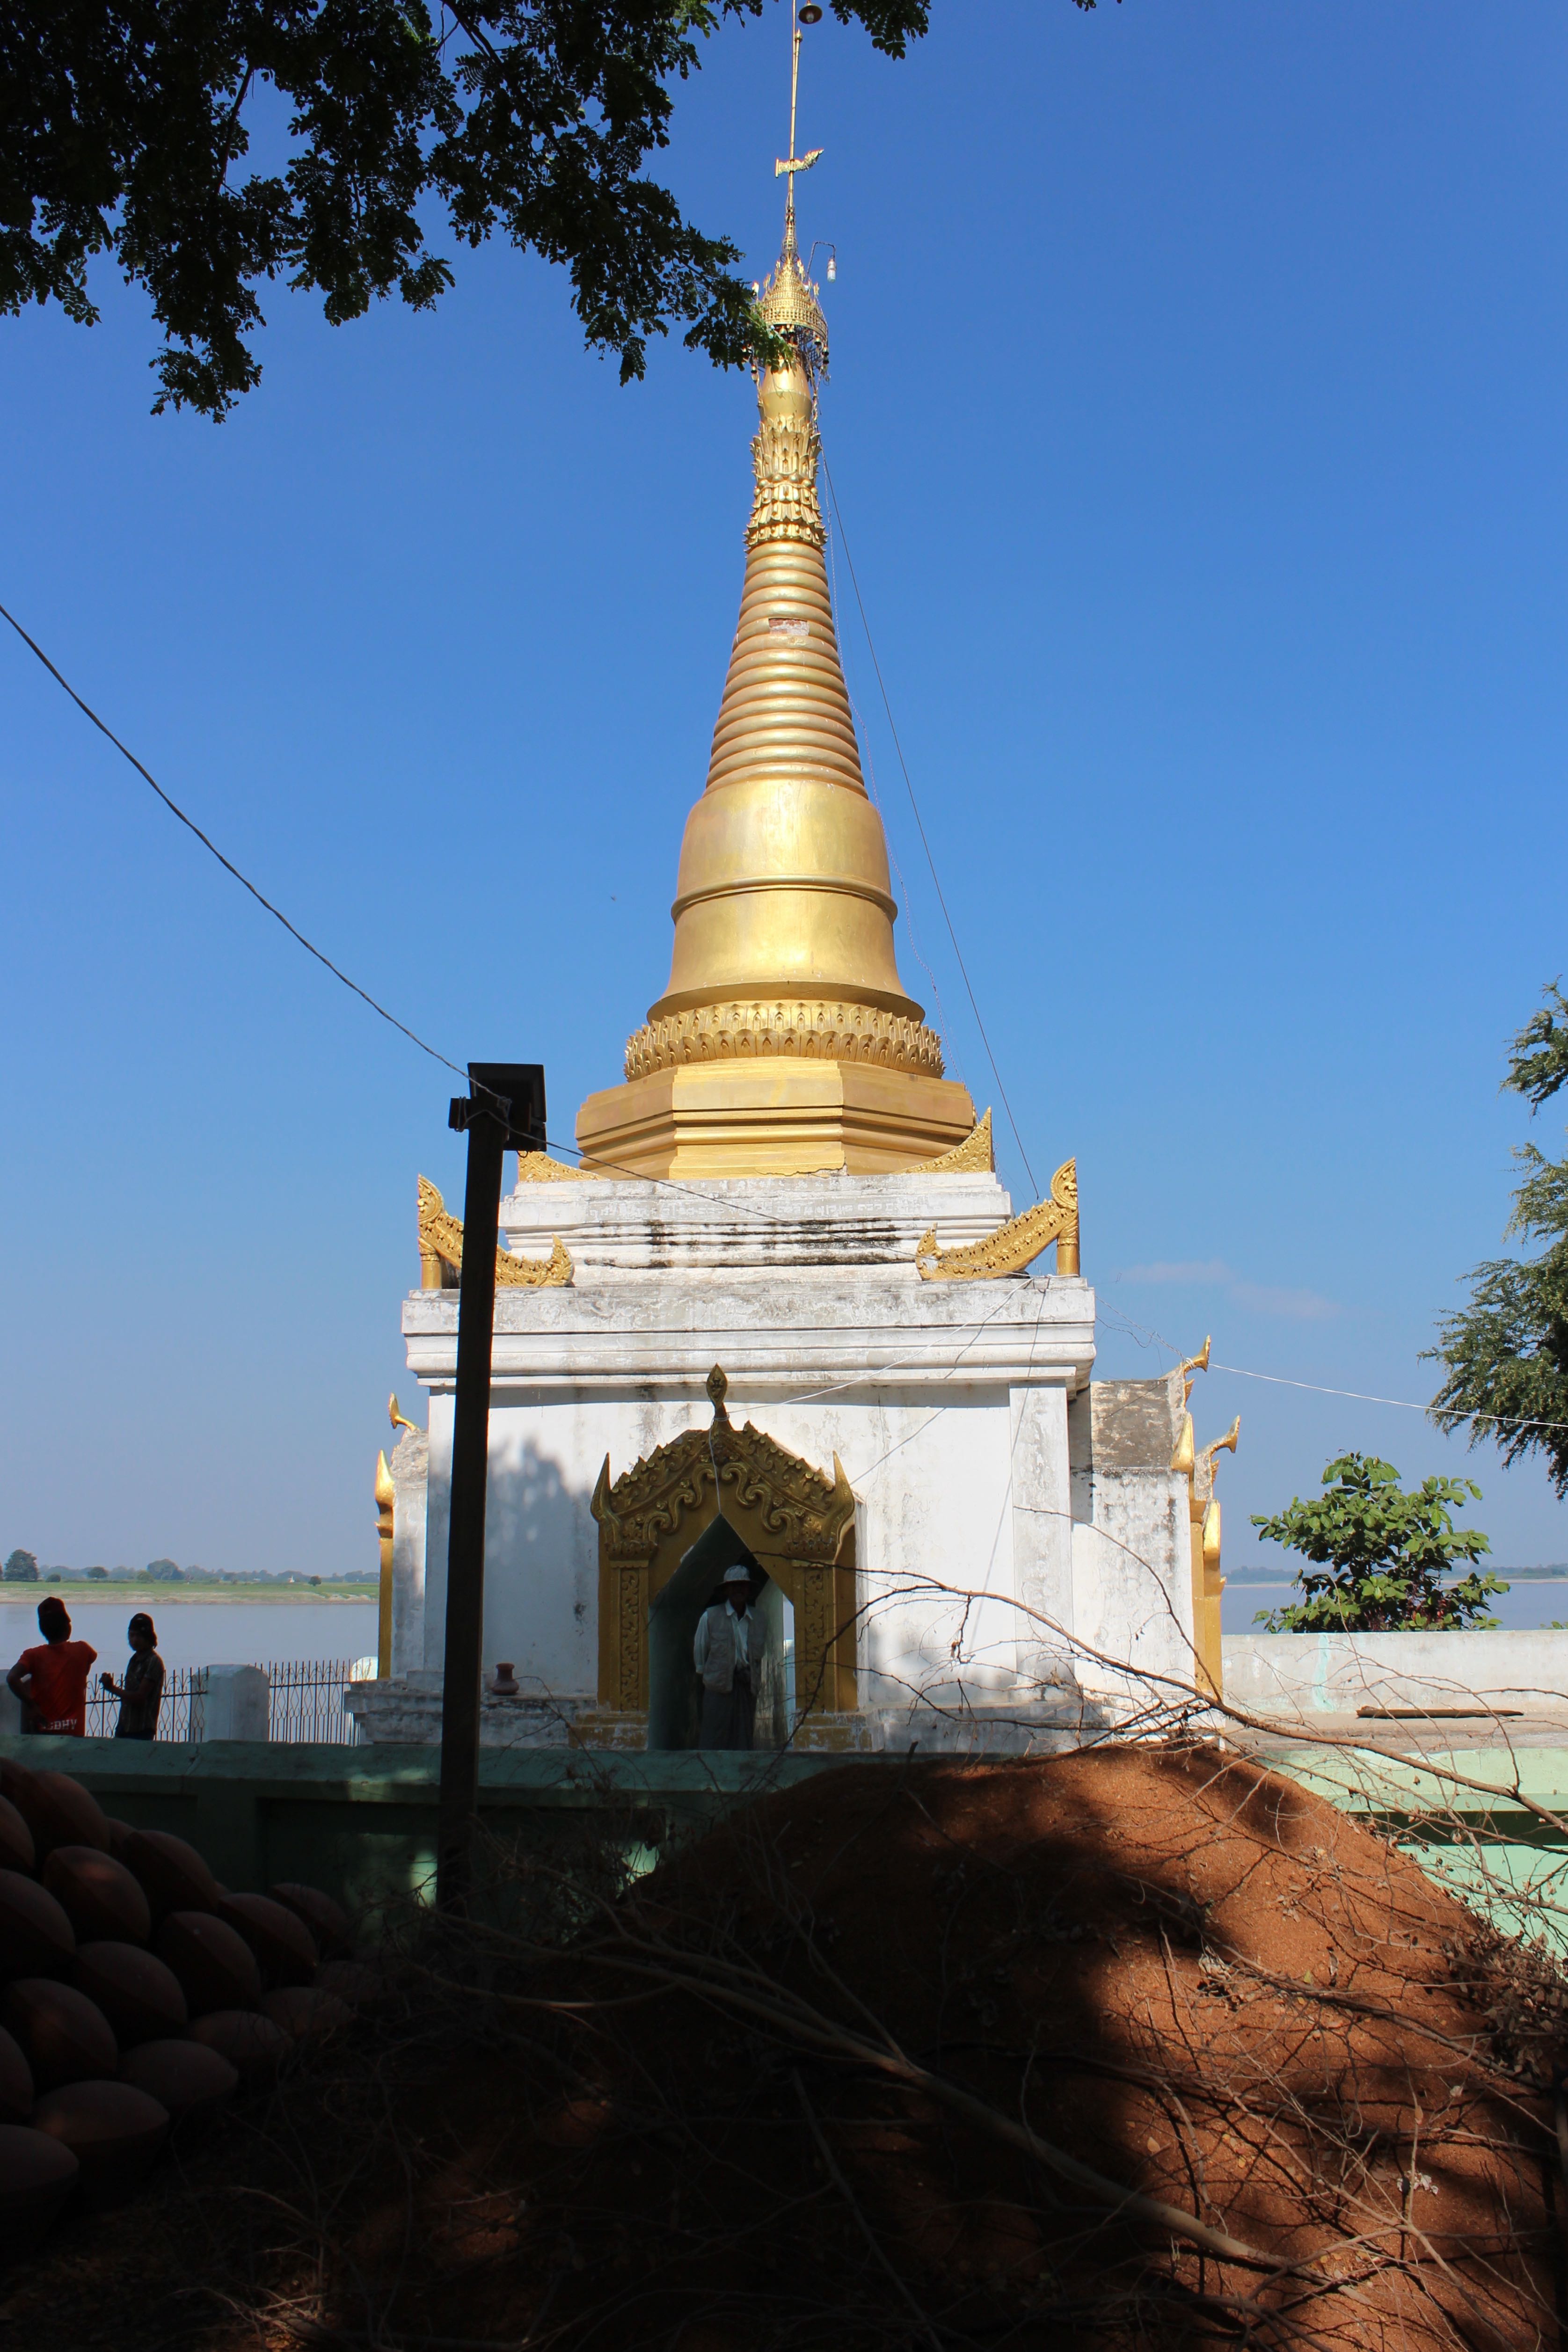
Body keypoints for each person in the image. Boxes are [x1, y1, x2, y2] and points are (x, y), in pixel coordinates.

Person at [693, 1563, 768, 1750]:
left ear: (748, 1590)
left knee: (744, 1737)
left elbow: (760, 1656)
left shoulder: (759, 1619)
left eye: (742, 1586)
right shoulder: (710, 1617)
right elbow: (701, 1649)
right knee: (714, 1736)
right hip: (718, 1687)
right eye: (734, 1586)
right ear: (727, 1590)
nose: (738, 1590)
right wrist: (708, 1674)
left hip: (746, 1686)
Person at [7, 1597, 98, 1736]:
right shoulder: (83, 1650)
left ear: (42, 1630)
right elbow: (87, 1667)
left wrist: (32, 1705)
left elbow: (12, 1678)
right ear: (68, 1627)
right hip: (75, 1736)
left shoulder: (32, 1656)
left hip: (43, 1734)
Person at [100, 1614, 165, 1741]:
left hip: (141, 1730)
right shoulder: (134, 1660)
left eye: (139, 1636)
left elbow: (140, 1697)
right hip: (124, 1727)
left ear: (148, 1637)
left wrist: (112, 1688)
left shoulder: (153, 1662)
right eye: (132, 1635)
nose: (134, 1640)